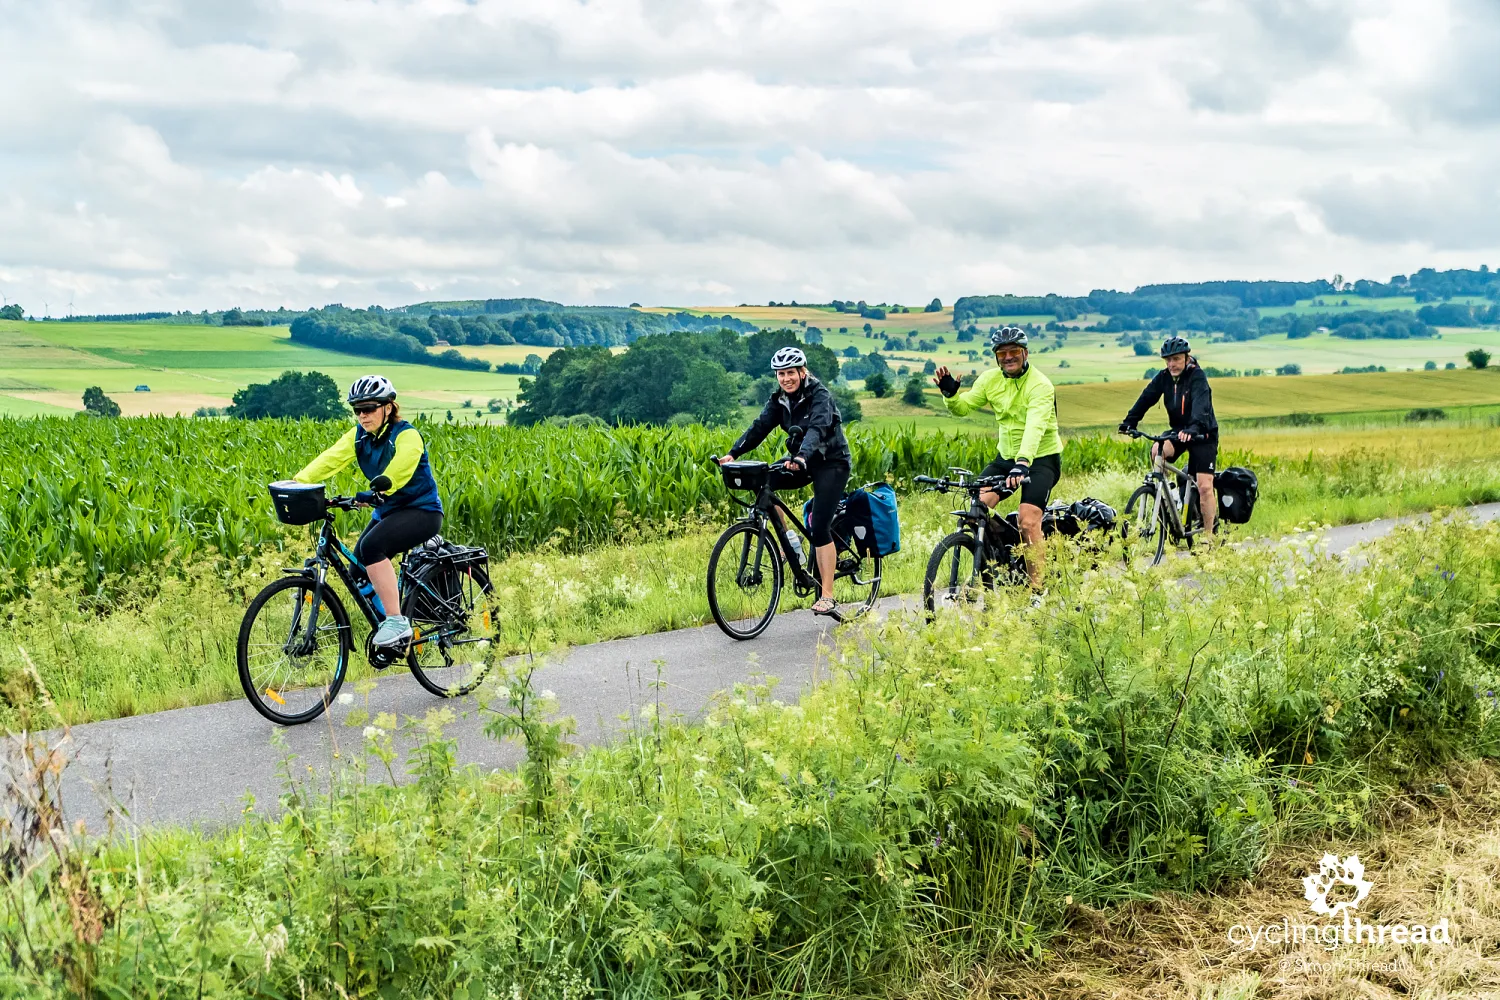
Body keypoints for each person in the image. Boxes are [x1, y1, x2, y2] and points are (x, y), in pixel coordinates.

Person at [293, 375, 443, 651]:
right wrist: (298, 483)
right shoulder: (359, 436)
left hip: (421, 511)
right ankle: (393, 629)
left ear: (388, 407)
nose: (362, 415)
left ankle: (397, 622)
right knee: (358, 571)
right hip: (387, 512)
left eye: (369, 408)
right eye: (357, 410)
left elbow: (402, 465)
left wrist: (382, 487)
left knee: (373, 547)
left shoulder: (406, 435)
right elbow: (330, 459)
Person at [720, 346, 851, 617]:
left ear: (802, 372)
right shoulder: (780, 400)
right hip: (801, 459)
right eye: (781, 374)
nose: (785, 378)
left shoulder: (820, 396)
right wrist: (733, 453)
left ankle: (827, 595)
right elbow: (759, 427)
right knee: (765, 481)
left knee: (820, 527)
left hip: (831, 462)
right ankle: (788, 543)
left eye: (790, 372)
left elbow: (816, 430)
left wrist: (802, 456)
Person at [932, 326, 1062, 598]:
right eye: (1002, 354)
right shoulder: (990, 380)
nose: (1008, 357)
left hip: (1040, 459)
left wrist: (1023, 462)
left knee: (1028, 521)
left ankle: (1038, 591)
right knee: (976, 511)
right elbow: (963, 408)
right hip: (1006, 458)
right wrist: (950, 395)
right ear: (996, 357)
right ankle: (997, 564)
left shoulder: (1040, 385)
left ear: (1025, 353)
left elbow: (1035, 427)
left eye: (1014, 351)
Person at [1117, 335, 1219, 538]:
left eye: (1176, 359)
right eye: (1168, 360)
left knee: (1205, 486)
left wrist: (1194, 428)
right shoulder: (1164, 377)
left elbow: (1202, 405)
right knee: (1157, 450)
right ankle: (1170, 498)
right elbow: (1146, 397)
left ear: (1186, 358)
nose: (1172, 364)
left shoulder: (1197, 376)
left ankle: (1209, 537)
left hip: (1203, 433)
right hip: (1179, 431)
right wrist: (1130, 421)